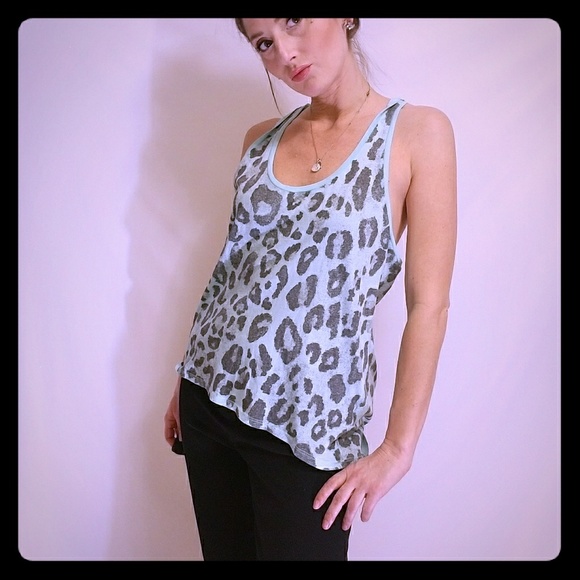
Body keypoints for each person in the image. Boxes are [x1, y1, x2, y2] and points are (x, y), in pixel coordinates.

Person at [164, 18, 457, 561]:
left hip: (310, 427)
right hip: (209, 399)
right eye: (264, 43)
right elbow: (235, 273)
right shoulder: (258, 140)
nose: (285, 52)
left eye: (293, 21)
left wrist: (398, 448)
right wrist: (186, 376)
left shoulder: (418, 133)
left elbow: (429, 306)